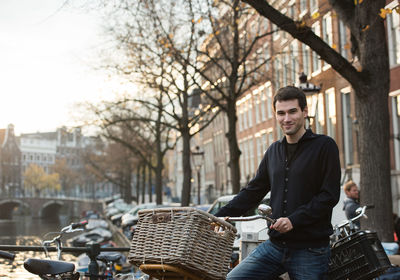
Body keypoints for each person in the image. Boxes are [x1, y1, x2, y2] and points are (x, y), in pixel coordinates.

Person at [215, 86, 341, 280]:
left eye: (292, 111)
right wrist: (219, 216)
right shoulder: (273, 151)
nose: (286, 119)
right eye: (281, 113)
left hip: (310, 250)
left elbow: (329, 195)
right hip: (274, 247)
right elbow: (253, 191)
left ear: (304, 112)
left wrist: (293, 220)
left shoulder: (325, 146)